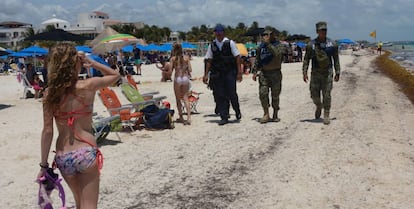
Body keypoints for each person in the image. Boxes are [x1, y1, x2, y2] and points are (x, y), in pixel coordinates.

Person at [38, 42, 120, 208]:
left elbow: (47, 131)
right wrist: (92, 62)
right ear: (76, 63)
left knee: (79, 203)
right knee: (89, 205)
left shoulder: (49, 93)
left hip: (63, 156)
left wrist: (43, 165)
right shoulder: (87, 86)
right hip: (85, 151)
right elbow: (114, 76)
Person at [203, 24, 242, 125]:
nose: (218, 34)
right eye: (217, 32)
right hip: (218, 73)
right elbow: (209, 60)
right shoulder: (212, 45)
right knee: (221, 94)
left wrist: (239, 72)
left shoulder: (230, 43)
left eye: (220, 32)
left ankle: (237, 110)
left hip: (230, 72)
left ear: (223, 33)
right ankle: (224, 116)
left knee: (232, 93)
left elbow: (237, 57)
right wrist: (206, 74)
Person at [302, 21, 340, 125]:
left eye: (325, 30)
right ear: (317, 31)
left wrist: (338, 72)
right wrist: (304, 72)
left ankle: (326, 114)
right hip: (315, 73)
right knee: (314, 95)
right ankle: (319, 106)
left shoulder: (332, 44)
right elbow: (306, 59)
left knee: (327, 95)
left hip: (327, 73)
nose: (324, 32)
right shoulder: (311, 45)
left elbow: (336, 59)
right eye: (322, 30)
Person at [251, 29, 285, 123]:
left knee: (275, 95)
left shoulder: (279, 45)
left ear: (272, 35)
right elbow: (258, 59)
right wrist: (254, 72)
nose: (265, 36)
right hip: (264, 73)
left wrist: (268, 44)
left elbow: (277, 54)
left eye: (267, 34)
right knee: (263, 94)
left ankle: (275, 113)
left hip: (275, 73)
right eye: (264, 35)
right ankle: (266, 113)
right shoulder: (261, 47)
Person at [171, 42, 192, 125]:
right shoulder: (186, 58)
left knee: (178, 99)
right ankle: (189, 117)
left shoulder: (173, 59)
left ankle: (181, 117)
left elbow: (170, 71)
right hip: (185, 78)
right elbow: (190, 69)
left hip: (178, 78)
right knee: (186, 98)